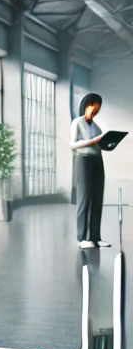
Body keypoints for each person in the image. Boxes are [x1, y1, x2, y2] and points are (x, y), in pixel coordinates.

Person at [70, 91, 110, 249]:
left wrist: (107, 143)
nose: (95, 113)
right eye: (93, 109)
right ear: (86, 106)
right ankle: (83, 238)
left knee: (97, 198)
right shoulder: (77, 122)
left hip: (97, 160)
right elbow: (72, 144)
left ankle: (95, 236)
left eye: (97, 110)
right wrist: (91, 141)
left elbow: (99, 144)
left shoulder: (97, 127)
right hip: (83, 160)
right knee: (84, 198)